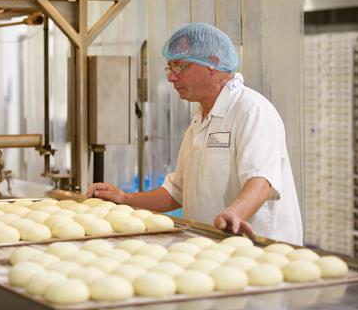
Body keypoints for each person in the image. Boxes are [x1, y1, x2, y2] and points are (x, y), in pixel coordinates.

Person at [86, 23, 303, 245]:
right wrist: (124, 199)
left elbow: (261, 181)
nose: (171, 77)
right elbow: (176, 192)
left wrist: (235, 214)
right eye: (169, 67)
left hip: (257, 249)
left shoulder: (251, 110)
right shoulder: (199, 120)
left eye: (179, 66)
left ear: (213, 64)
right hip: (213, 245)